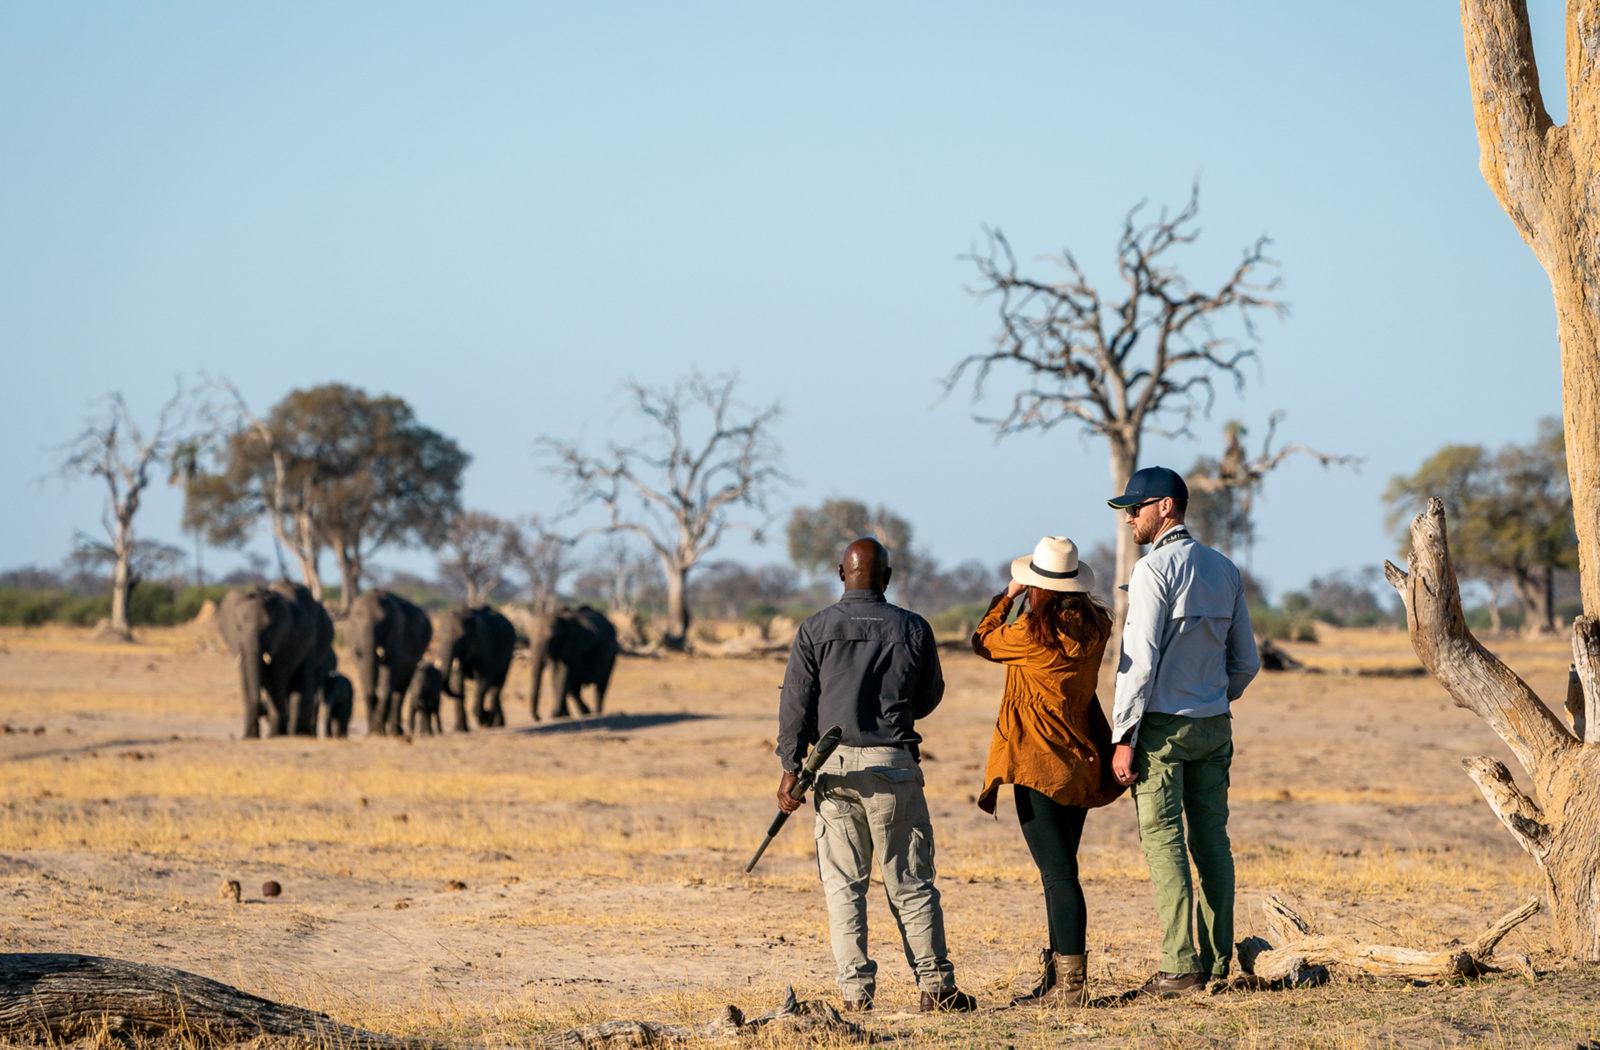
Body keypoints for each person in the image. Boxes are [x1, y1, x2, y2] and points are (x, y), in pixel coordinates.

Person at [775, 537, 977, 1014]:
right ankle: (935, 988)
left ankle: (855, 995)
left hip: (834, 769)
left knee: (845, 887)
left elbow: (796, 703)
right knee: (910, 881)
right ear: (886, 579)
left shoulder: (815, 628)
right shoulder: (914, 628)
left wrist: (790, 767)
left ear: (841, 574)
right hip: (895, 767)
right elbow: (928, 698)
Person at [1106, 466, 1260, 997]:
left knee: (1164, 841)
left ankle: (1180, 967)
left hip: (1161, 731)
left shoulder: (1152, 571)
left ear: (1166, 506)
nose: (1129, 516)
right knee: (1213, 842)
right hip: (1214, 726)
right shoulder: (1225, 569)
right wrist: (1215, 697)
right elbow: (1247, 662)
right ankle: (1218, 962)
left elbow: (1139, 663)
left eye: (1137, 506)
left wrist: (1123, 736)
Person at [971, 536, 1124, 1007]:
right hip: (1080, 763)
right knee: (1062, 870)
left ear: (1038, 586)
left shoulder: (1029, 636)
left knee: (1058, 876)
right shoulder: (1096, 628)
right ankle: (1059, 977)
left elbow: (981, 640)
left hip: (1037, 764)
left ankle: (1072, 987)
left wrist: (1008, 596)